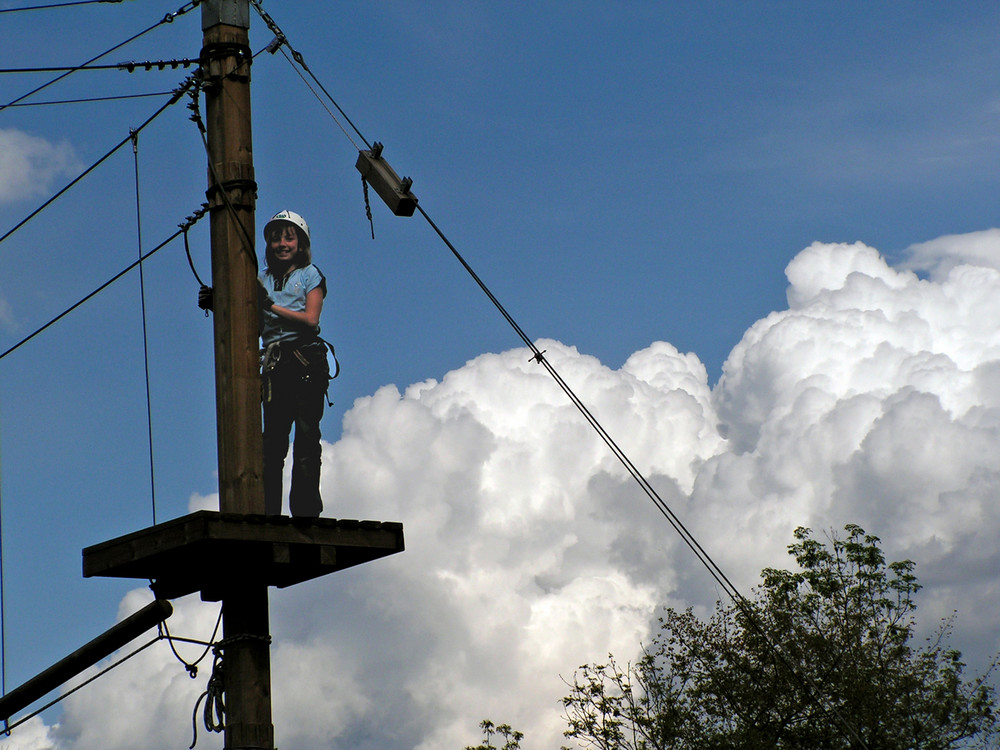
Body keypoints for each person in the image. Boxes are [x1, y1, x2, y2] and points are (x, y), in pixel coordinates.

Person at [198, 209, 331, 517]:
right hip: (277, 366)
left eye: (288, 237)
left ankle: (306, 512)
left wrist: (269, 304)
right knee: (272, 445)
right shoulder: (261, 280)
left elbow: (310, 320)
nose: (281, 243)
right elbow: (248, 317)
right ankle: (269, 512)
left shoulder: (310, 275)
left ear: (300, 243)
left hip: (306, 361)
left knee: (307, 438)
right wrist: (218, 301)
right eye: (275, 238)